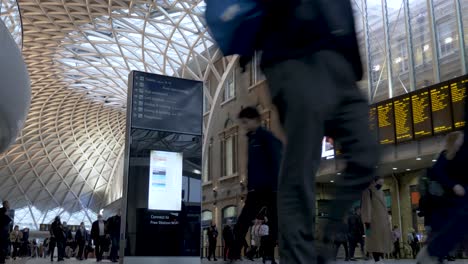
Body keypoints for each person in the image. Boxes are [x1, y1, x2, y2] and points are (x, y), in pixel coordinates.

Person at [242, 0, 381, 262]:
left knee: (366, 155)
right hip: (293, 56)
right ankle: (297, 256)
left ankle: (327, 240)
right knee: (302, 163)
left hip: (340, 64)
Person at [232, 107, 282, 261]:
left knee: (274, 224)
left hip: (270, 189)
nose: (244, 126)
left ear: (255, 120)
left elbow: (277, 161)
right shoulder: (252, 138)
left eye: (246, 122)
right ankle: (234, 255)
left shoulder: (266, 138)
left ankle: (269, 255)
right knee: (242, 222)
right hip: (256, 190)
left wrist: (277, 186)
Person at [417, 131, 468, 264]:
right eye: (460, 139)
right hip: (446, 204)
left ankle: (433, 254)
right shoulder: (445, 157)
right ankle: (430, 254)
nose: (462, 141)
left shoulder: (462, 157)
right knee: (443, 231)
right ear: (454, 141)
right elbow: (438, 173)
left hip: (458, 203)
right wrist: (453, 185)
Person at [361, 176, 392, 263]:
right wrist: (367, 222)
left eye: (382, 184)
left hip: (382, 222)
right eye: (379, 183)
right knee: (373, 241)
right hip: (372, 222)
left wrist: (387, 220)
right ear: (374, 182)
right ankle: (376, 260)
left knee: (381, 241)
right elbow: (366, 207)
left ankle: (380, 259)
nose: (380, 185)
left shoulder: (381, 192)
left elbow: (384, 208)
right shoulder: (368, 191)